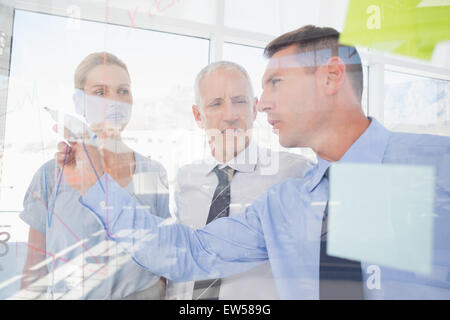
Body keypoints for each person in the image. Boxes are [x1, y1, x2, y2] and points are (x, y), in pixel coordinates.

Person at [59, 26, 450, 299]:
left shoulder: (437, 166)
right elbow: (186, 252)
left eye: (275, 83)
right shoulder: (283, 205)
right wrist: (95, 187)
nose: (261, 104)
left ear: (331, 77)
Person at [20, 52, 170, 300]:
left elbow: (163, 256)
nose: (115, 101)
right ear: (79, 103)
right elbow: (33, 272)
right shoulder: (50, 176)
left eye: (123, 91)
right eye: (100, 92)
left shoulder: (153, 173)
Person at [167, 61, 313, 300]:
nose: (230, 115)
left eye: (240, 101)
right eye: (215, 104)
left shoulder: (293, 173)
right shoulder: (186, 178)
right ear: (198, 115)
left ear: (255, 108)